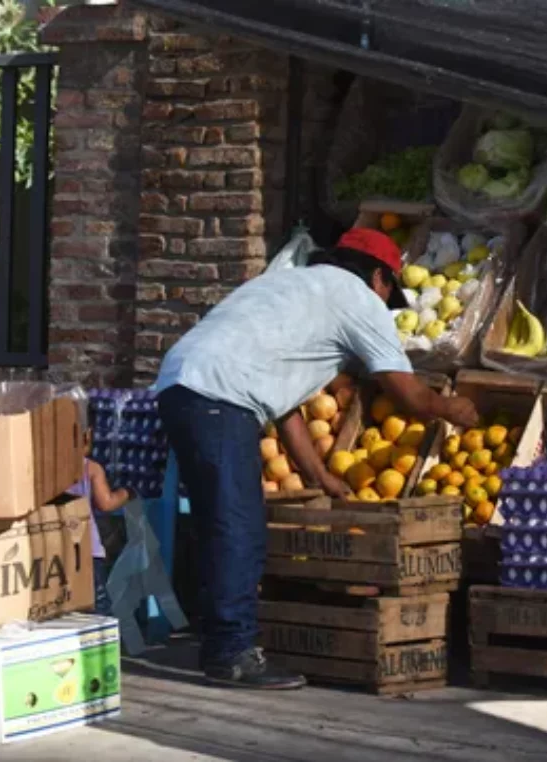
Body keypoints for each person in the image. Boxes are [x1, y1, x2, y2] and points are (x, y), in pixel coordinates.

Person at [153, 227, 480, 690]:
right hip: (218, 396)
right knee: (239, 528)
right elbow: (408, 395)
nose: (386, 304)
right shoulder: (359, 299)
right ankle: (231, 653)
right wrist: (452, 408)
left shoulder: (286, 284)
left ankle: (219, 639)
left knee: (217, 523)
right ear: (379, 277)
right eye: (390, 292)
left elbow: (284, 409)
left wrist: (321, 476)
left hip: (182, 384)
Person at [68, 457, 131, 615]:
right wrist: (127, 493)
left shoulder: (46, 464)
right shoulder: (90, 467)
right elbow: (106, 503)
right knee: (98, 605)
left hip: (57, 549)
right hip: (88, 548)